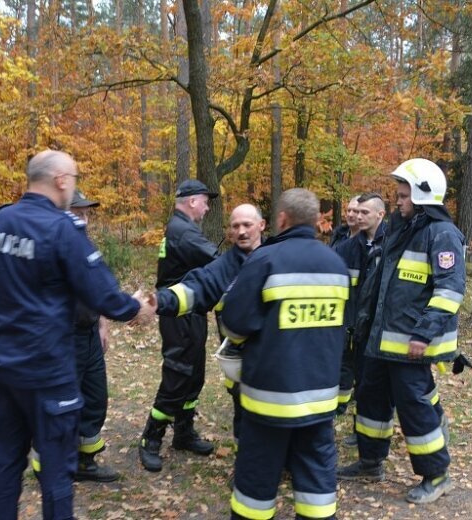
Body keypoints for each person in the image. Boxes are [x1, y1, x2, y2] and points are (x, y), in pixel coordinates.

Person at [0, 150, 155, 520]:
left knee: (5, 465)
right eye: (73, 177)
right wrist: (137, 309)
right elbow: (102, 293)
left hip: (2, 369)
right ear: (60, 180)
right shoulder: (61, 228)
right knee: (57, 474)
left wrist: (7, 333)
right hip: (48, 374)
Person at [337, 158, 466, 505]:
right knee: (371, 401)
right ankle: (369, 462)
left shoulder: (442, 235)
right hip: (380, 339)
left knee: (414, 409)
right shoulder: (399, 229)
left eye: (403, 196)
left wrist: (423, 335)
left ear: (424, 196)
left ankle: (436, 475)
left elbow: (449, 291)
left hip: (411, 344)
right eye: (398, 195)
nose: (398, 201)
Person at [220, 188, 349, 520]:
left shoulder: (265, 260)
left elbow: (235, 324)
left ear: (280, 219)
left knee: (255, 486)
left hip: (269, 400)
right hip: (320, 400)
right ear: (317, 220)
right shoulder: (336, 264)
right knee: (317, 486)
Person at [156, 204, 266, 448]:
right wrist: (157, 301)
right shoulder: (226, 264)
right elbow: (196, 287)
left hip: (272, 353)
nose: (241, 231)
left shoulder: (275, 257)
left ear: (262, 225)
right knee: (241, 405)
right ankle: (245, 463)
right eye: (235, 226)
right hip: (236, 353)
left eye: (247, 225)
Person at [138, 179, 220, 472]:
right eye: (205, 201)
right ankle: (151, 437)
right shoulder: (184, 232)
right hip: (178, 314)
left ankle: (183, 432)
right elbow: (218, 261)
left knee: (194, 374)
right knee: (178, 374)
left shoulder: (183, 229)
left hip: (192, 311)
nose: (208, 207)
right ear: (191, 201)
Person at [67, 190, 119, 482]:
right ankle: (51, 464)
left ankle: (86, 461)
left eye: (86, 212)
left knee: (95, 398)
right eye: (78, 211)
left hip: (89, 334)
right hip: (65, 338)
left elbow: (97, 289)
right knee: (64, 403)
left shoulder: (86, 244)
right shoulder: (57, 245)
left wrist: (103, 324)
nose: (84, 217)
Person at [334, 193, 387, 443]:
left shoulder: (392, 246)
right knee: (356, 377)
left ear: (380, 214)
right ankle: (360, 431)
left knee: (371, 382)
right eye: (358, 212)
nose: (359, 216)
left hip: (379, 326)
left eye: (365, 212)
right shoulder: (346, 248)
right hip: (352, 324)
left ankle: (366, 432)